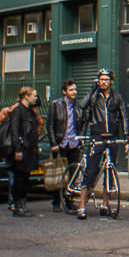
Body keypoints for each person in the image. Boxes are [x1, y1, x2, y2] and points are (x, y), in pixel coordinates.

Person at [77, 68, 127, 220]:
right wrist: (93, 89)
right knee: (91, 171)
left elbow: (123, 115)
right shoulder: (93, 96)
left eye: (106, 80)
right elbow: (82, 105)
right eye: (101, 79)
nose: (103, 82)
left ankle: (105, 204)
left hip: (112, 136)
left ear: (111, 81)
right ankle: (82, 206)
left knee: (109, 173)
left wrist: (125, 135)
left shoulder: (117, 97)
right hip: (97, 136)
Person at [47, 79, 84, 212]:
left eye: (75, 89)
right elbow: (50, 125)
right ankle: (56, 201)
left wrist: (80, 139)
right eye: (71, 90)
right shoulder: (55, 104)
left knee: (73, 173)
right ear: (64, 92)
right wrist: (53, 143)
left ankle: (69, 200)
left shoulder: (78, 105)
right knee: (59, 173)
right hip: (61, 143)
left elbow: (83, 122)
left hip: (74, 143)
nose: (74, 92)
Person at [8, 86, 42, 217]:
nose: (36, 98)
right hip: (22, 149)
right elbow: (14, 131)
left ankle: (23, 204)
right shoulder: (18, 111)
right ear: (26, 96)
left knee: (25, 177)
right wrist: (17, 149)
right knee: (19, 178)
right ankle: (18, 206)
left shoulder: (31, 111)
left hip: (30, 149)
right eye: (33, 95)